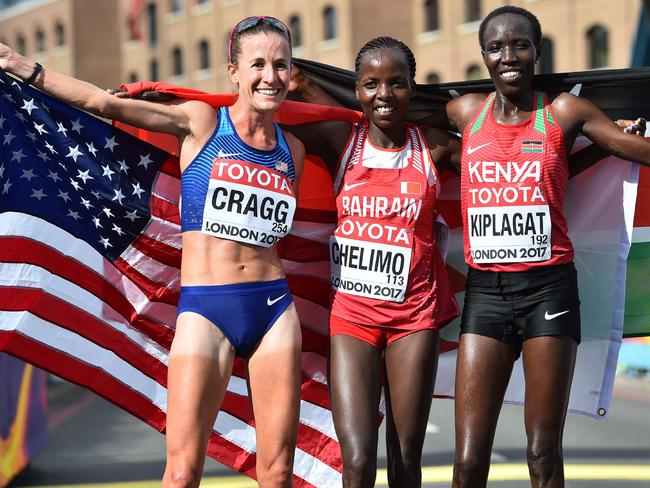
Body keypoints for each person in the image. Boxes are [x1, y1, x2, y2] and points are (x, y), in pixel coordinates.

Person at [0, 16, 305, 488]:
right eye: (259, 64)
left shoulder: (294, 151)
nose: (271, 76)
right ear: (234, 72)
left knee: (279, 471)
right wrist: (20, 66)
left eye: (282, 65)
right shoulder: (202, 122)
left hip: (273, 307)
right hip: (207, 309)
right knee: (182, 472)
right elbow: (103, 104)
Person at [431, 6, 650, 488]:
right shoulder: (466, 112)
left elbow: (630, 148)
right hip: (486, 296)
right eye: (496, 47)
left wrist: (632, 133)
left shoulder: (564, 111)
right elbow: (386, 105)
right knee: (468, 461)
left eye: (519, 45)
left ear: (537, 50)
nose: (508, 56)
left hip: (548, 294)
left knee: (541, 453)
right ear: (483, 56)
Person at [288, 37, 460, 488]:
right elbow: (256, 128)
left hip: (414, 319)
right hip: (353, 320)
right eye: (371, 84)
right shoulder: (341, 140)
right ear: (358, 91)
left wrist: (597, 139)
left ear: (412, 88)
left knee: (405, 461)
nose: (384, 95)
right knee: (359, 462)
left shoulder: (435, 147)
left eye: (396, 83)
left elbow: (514, 154)